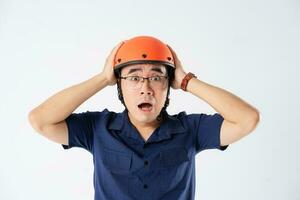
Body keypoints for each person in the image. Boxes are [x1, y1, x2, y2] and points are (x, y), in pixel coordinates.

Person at [28, 35, 260, 200]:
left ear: (169, 85)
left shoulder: (191, 129)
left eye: (157, 78)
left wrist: (187, 81)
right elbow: (41, 120)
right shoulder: (97, 128)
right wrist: (102, 78)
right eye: (134, 77)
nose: (146, 88)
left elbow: (247, 119)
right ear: (119, 85)